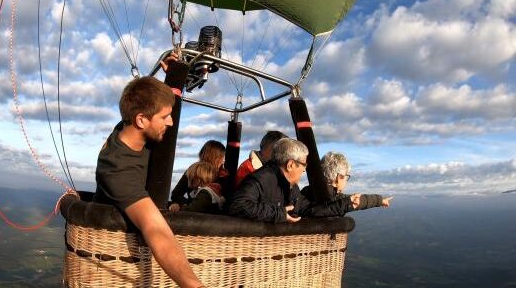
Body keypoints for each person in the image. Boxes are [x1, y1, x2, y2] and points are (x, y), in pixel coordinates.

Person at [92, 53, 203, 287]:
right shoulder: (116, 169)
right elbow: (156, 230)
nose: (171, 123)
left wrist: (169, 78)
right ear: (141, 121)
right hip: (116, 258)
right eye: (165, 117)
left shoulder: (129, 126)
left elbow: (139, 99)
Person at [228, 138, 392, 223]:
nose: (305, 169)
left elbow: (311, 210)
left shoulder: (291, 188)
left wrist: (348, 203)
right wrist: (279, 214)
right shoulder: (261, 179)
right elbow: (236, 206)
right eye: (303, 165)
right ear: (291, 164)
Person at [169, 140, 228, 212]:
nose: (223, 160)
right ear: (215, 157)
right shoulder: (194, 171)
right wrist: (189, 204)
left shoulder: (224, 176)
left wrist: (185, 206)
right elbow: (176, 194)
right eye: (222, 157)